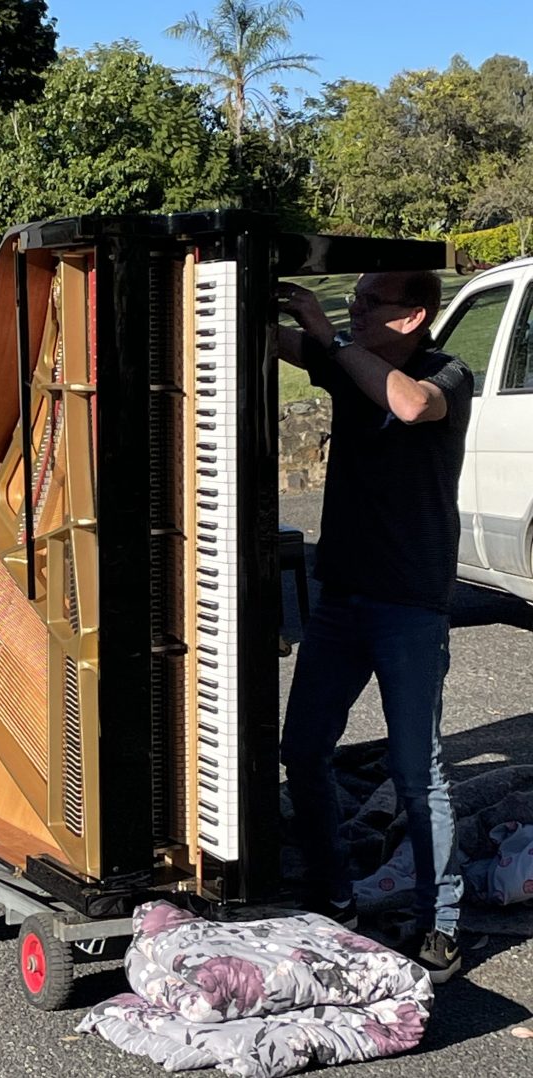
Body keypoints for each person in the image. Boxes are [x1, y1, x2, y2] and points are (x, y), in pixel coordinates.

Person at [277, 271, 473, 984]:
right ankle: (334, 894)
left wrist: (330, 338)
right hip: (341, 599)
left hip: (410, 603)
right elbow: (279, 343)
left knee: (418, 771)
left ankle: (441, 921)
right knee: (302, 748)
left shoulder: (444, 371)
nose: (353, 313)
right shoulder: (344, 361)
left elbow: (412, 405)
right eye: (350, 302)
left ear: (415, 314)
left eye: (369, 305)